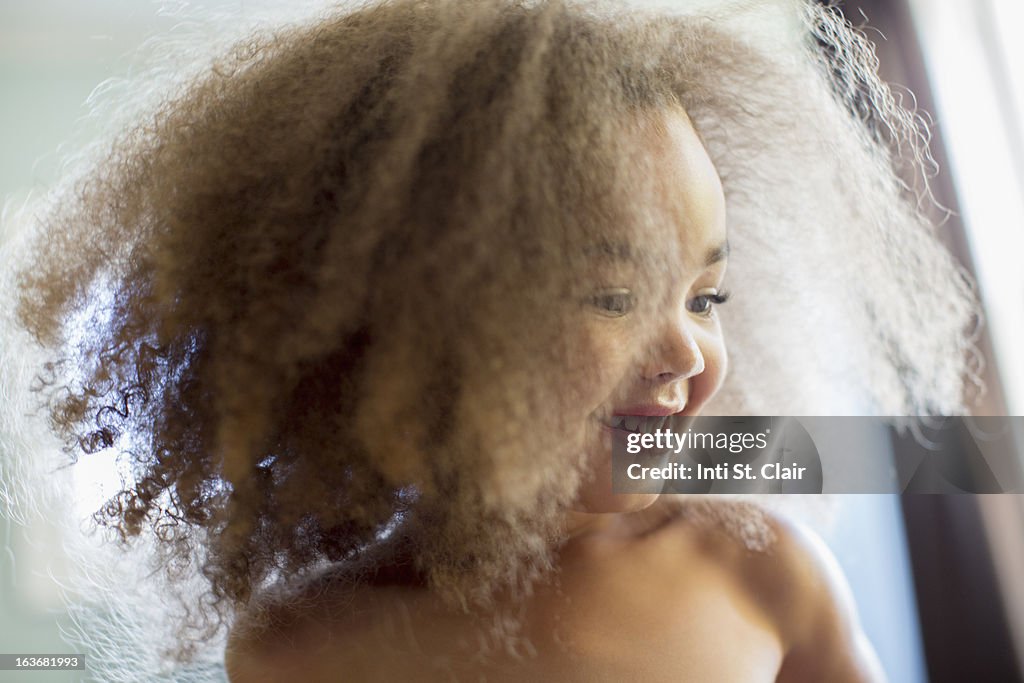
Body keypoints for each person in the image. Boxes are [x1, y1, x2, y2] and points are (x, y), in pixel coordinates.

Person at [4, 0, 979, 680]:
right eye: (612, 294)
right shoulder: (298, 647)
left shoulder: (755, 566)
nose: (689, 350)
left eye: (707, 294)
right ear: (419, 325)